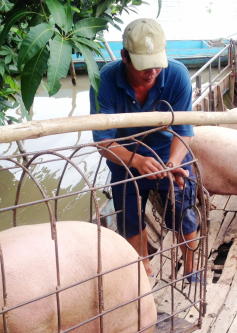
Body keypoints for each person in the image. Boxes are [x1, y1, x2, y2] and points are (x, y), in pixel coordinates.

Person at [90, 18, 201, 282]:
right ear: (124, 57)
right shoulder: (104, 81)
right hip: (125, 160)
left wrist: (174, 163)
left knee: (184, 210)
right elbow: (103, 141)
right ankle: (143, 271)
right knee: (129, 217)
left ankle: (191, 268)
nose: (152, 72)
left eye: (156, 64)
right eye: (143, 65)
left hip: (168, 155)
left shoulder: (177, 75)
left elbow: (183, 130)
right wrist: (137, 161)